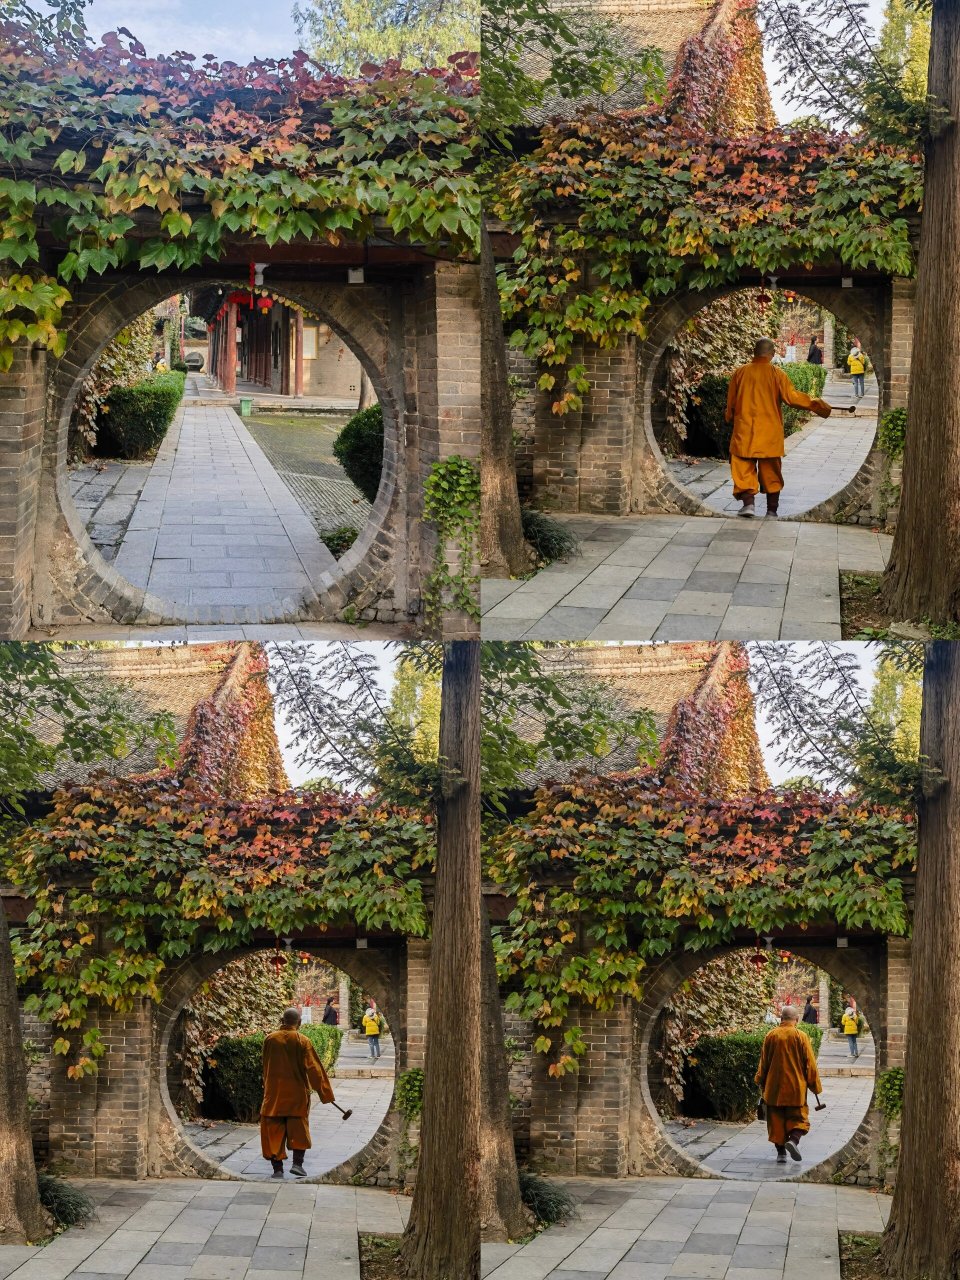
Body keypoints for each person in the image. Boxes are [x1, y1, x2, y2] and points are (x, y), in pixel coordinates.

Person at [725, 338, 833, 519]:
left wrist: (729, 416)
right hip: (770, 433)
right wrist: (818, 405)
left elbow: (732, 403)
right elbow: (792, 398)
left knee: (742, 467)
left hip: (744, 430)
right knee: (771, 472)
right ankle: (771, 510)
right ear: (772, 354)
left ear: (754, 352)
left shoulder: (740, 373)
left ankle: (749, 504)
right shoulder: (777, 374)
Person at [260, 1007, 336, 1180]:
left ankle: (277, 1169)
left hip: (274, 1094)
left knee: (273, 1131)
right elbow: (314, 1070)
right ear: (299, 1023)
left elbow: (265, 1064)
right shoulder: (303, 1041)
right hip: (297, 1095)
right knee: (299, 1130)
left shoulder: (270, 1039)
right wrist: (325, 1094)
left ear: (282, 1020)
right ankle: (297, 1165)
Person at [755, 1004, 824, 1165]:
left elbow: (764, 1063)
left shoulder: (771, 1035)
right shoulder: (801, 1036)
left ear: (781, 1018)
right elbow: (810, 1065)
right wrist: (815, 1086)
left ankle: (781, 1153)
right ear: (797, 1019)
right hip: (795, 1088)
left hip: (773, 1089)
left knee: (776, 1122)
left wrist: (760, 1080)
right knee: (799, 1119)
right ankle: (793, 1140)